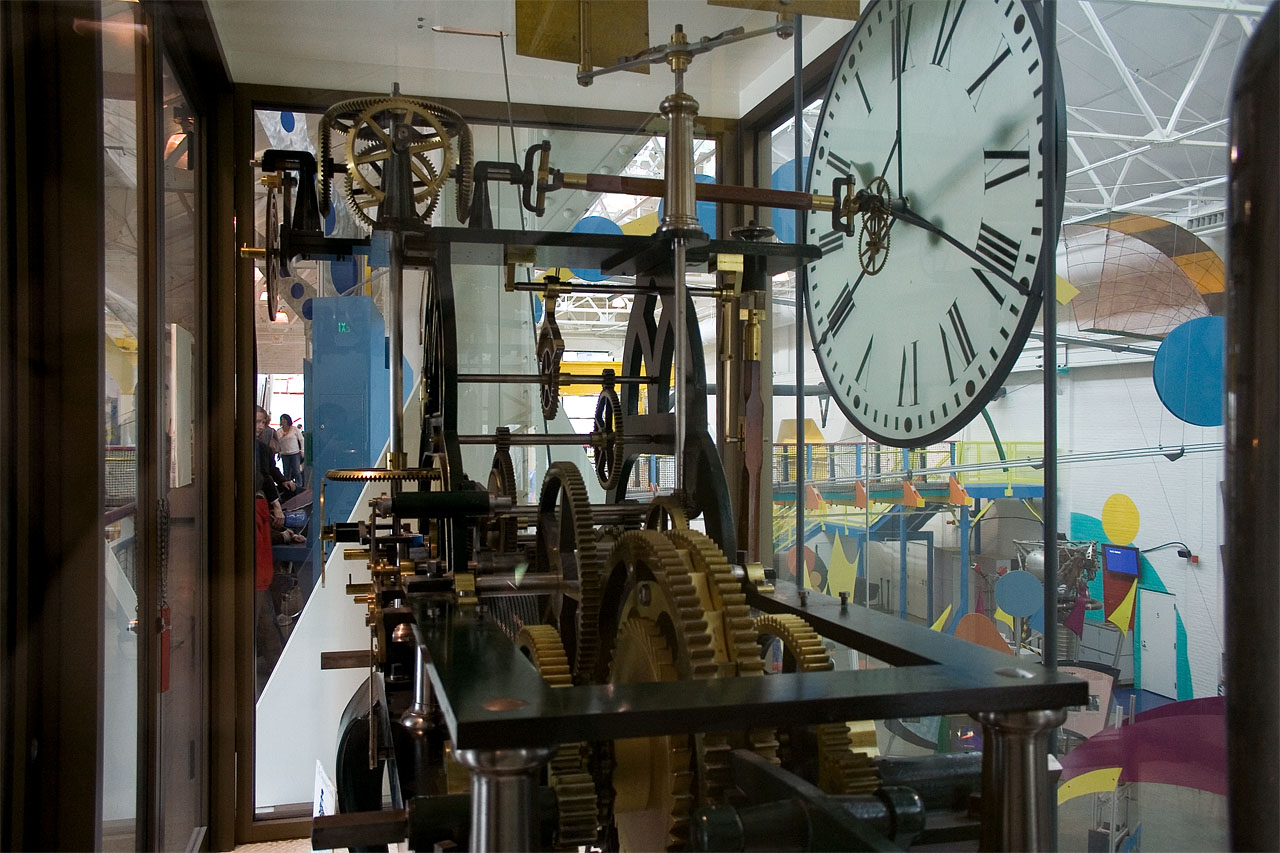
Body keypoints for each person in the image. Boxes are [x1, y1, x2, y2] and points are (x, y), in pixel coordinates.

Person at [277, 413, 305, 487]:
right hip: (284, 454)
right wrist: (279, 452)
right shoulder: (279, 431)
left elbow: (301, 439)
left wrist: (302, 450)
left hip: (294, 453)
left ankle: (299, 485)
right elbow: (278, 443)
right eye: (282, 420)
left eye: (284, 420)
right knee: (286, 472)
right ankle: (288, 486)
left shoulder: (294, 429)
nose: (283, 422)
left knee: (296, 470)